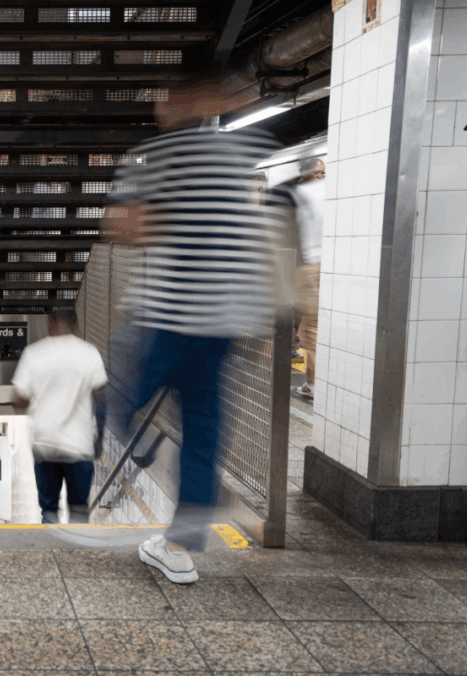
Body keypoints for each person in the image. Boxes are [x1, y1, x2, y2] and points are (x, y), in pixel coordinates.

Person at [102, 82, 291, 584]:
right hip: (224, 325)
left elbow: (124, 227)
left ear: (175, 101)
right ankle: (179, 548)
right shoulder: (240, 152)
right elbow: (261, 226)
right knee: (204, 437)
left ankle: (129, 441)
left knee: (118, 389)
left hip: (166, 319)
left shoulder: (154, 156)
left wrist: (160, 217)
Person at [12, 308, 108, 524]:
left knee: (48, 511)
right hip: (79, 446)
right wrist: (99, 439)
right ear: (76, 321)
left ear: (48, 321)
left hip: (45, 444)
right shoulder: (89, 352)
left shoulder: (33, 353)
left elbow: (19, 398)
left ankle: (50, 550)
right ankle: (77, 554)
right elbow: (102, 400)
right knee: (79, 510)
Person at [288, 158, 325, 400]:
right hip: (325, 268)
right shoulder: (332, 193)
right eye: (322, 172)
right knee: (306, 327)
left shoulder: (299, 194)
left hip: (307, 268)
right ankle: (300, 369)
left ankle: (311, 383)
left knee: (306, 329)